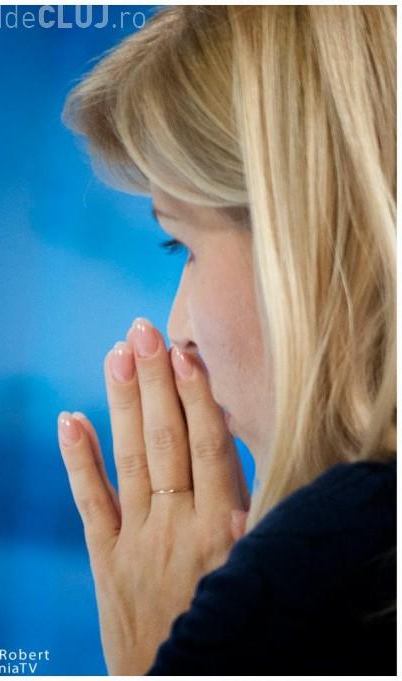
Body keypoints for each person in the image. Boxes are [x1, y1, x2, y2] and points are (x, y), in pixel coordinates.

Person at [57, 6, 396, 675]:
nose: (177, 330)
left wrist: (163, 647)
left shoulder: (313, 573)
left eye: (181, 243)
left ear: (300, 233)